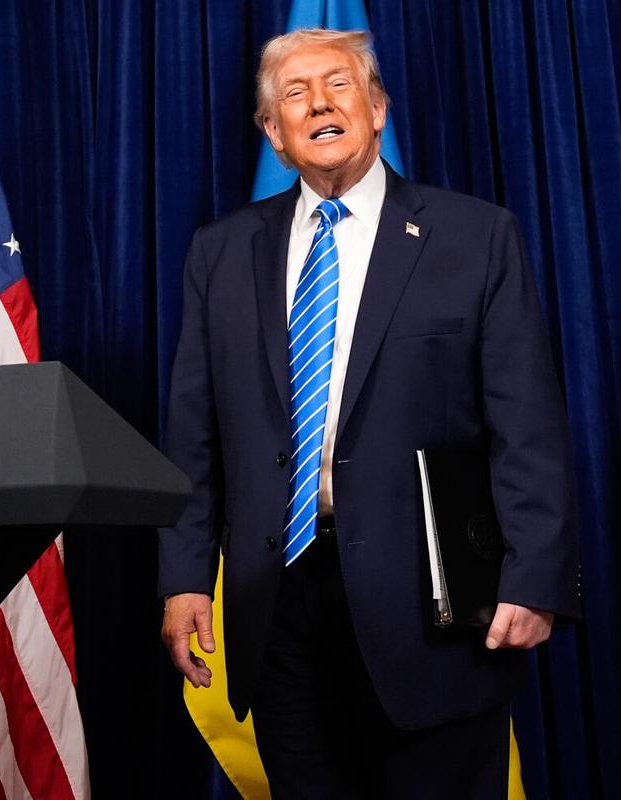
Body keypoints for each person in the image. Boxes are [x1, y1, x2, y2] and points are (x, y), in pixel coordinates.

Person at [158, 29, 579, 798]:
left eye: (339, 84)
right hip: (279, 611)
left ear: (377, 107)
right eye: (295, 94)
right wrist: (184, 576)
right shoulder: (219, 253)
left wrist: (534, 578)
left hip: (435, 612)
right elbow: (194, 434)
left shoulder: (476, 236)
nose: (319, 103)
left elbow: (528, 428)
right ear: (273, 132)